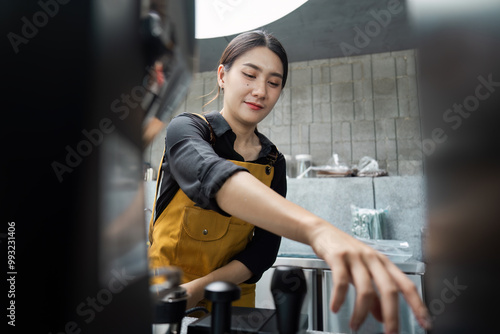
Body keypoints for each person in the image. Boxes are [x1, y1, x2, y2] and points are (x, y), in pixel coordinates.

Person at [148, 30, 431, 333]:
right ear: (222, 76)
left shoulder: (273, 161)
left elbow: (263, 251)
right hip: (165, 294)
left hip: (234, 299)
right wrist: (318, 230)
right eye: (249, 75)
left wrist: (200, 289)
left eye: (273, 82)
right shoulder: (187, 129)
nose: (260, 91)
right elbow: (214, 177)